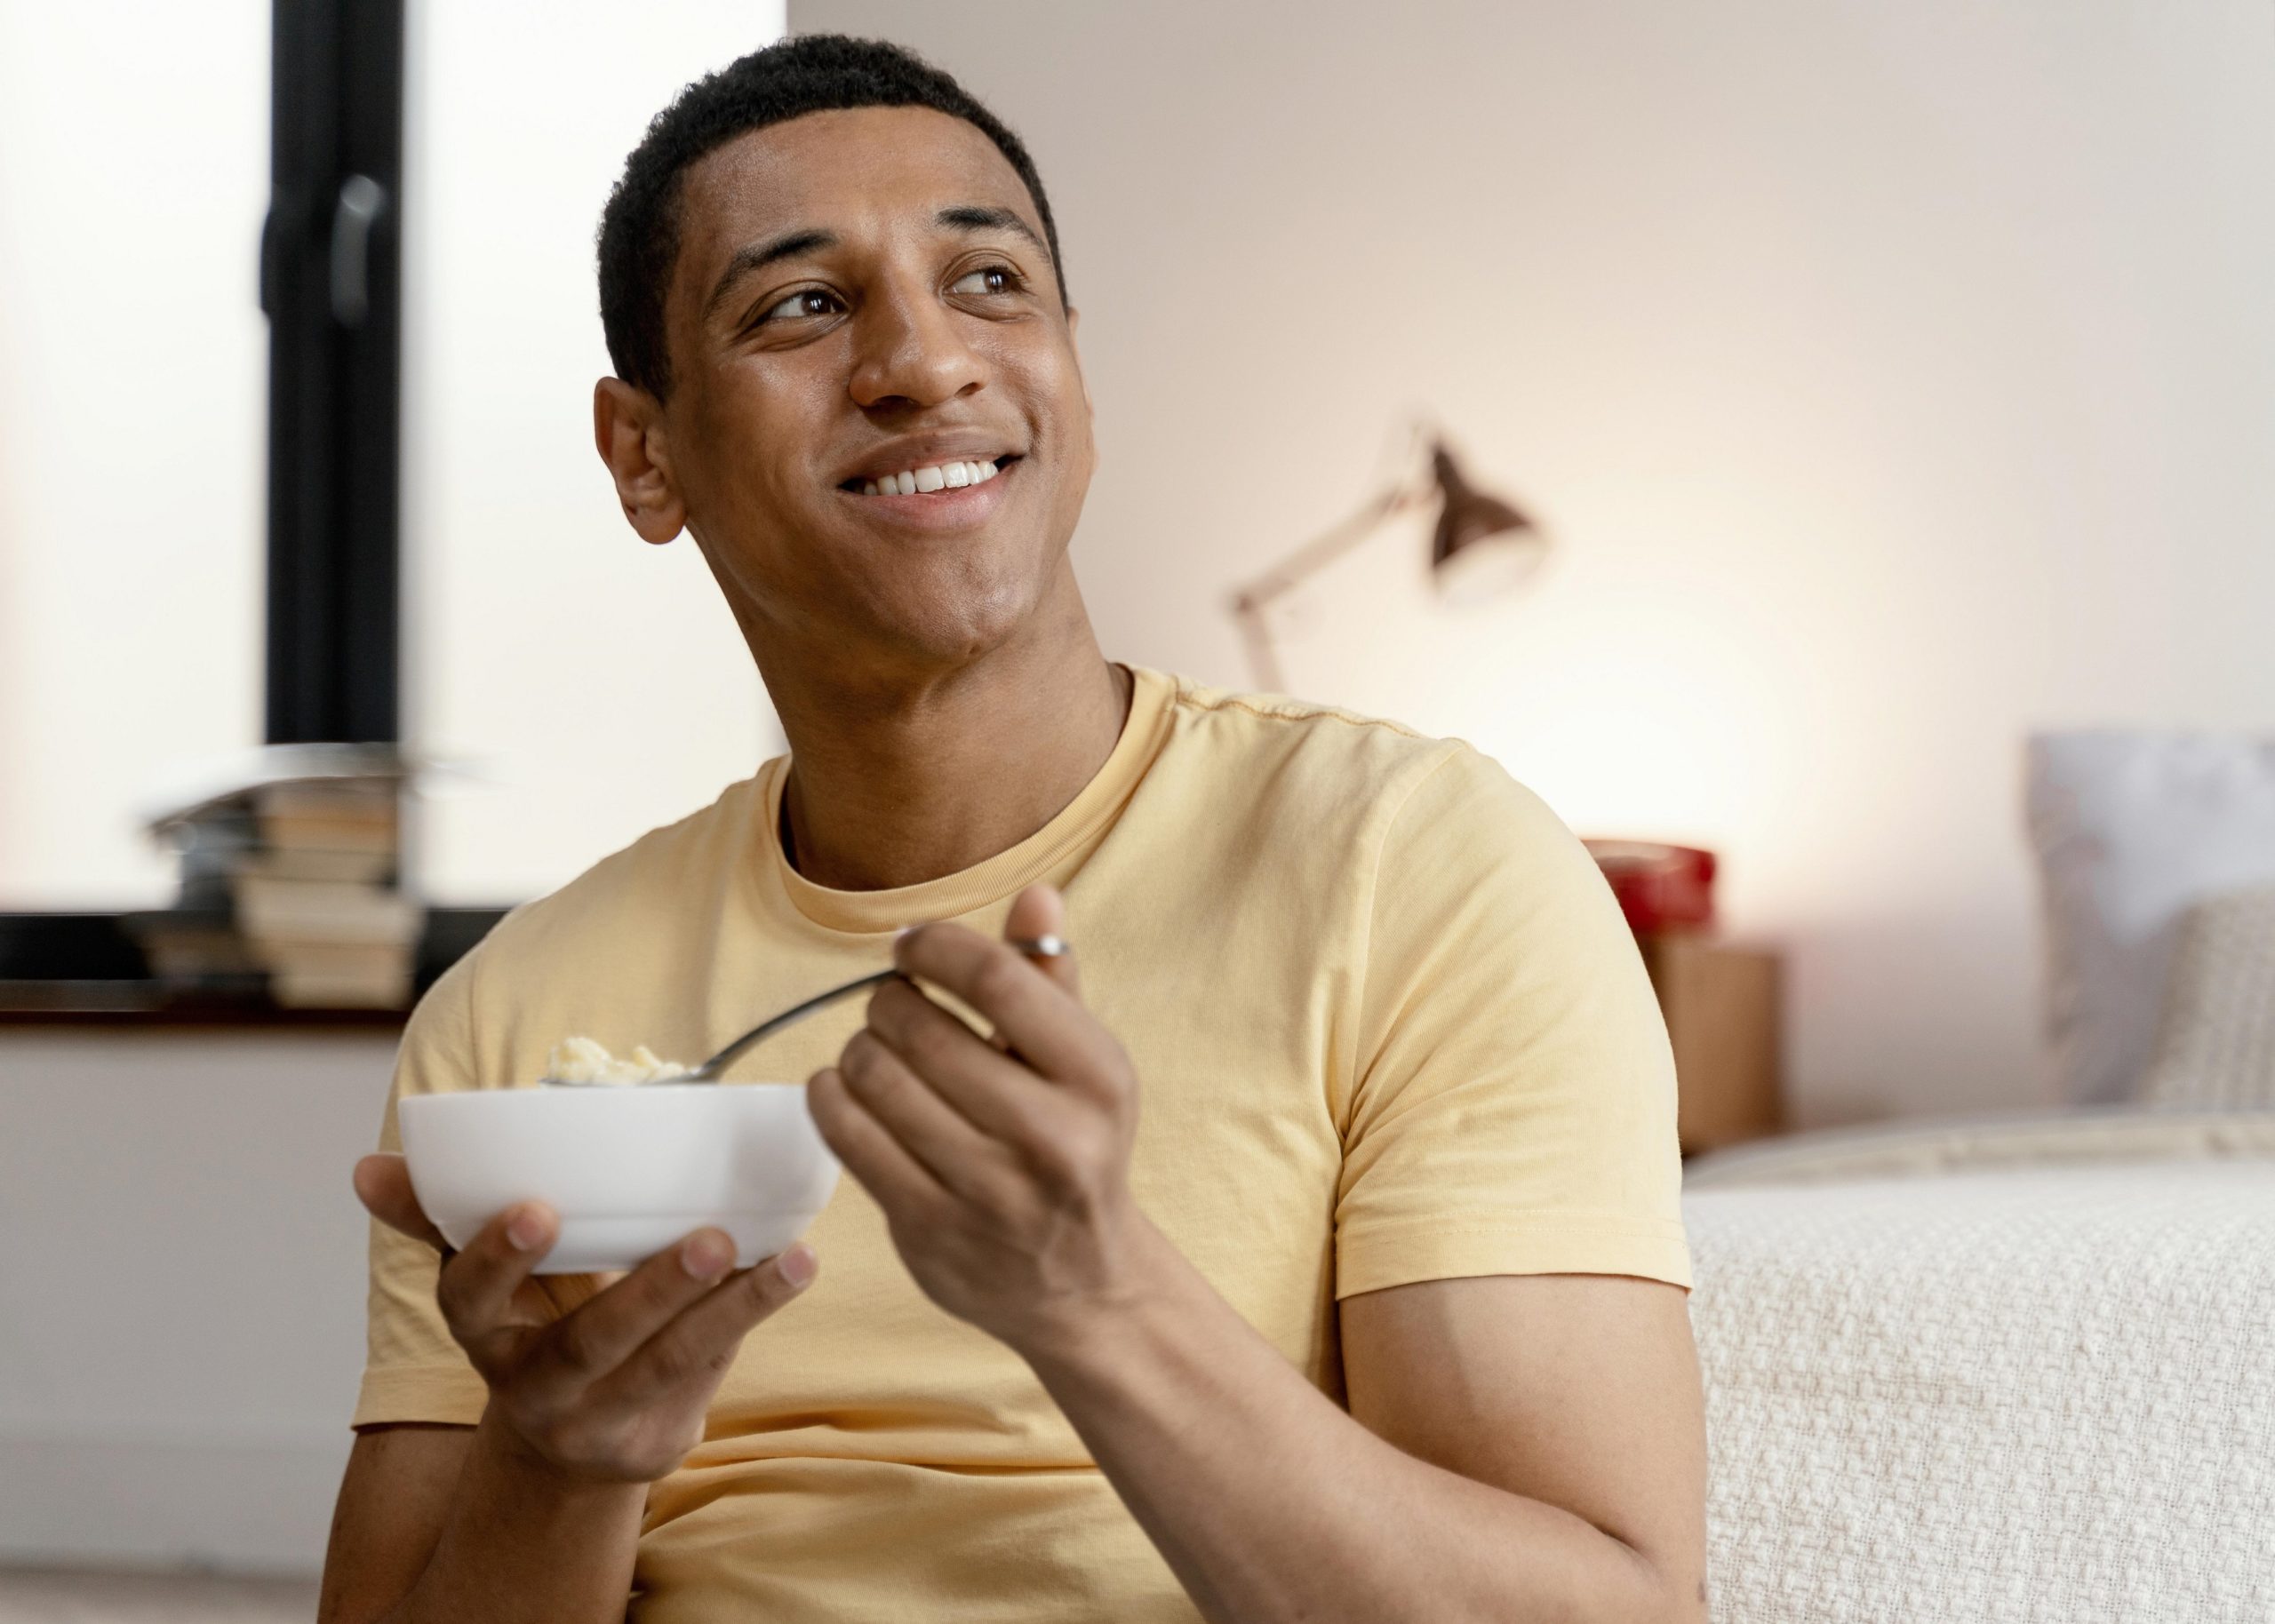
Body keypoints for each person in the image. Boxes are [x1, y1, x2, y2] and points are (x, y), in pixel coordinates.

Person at [317, 33, 1706, 1624]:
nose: (925, 360)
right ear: (647, 453)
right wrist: (562, 1462)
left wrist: (1093, 1296)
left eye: (990, 284)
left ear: (1076, 384)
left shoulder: (1417, 865)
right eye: (803, 305)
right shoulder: (518, 1015)